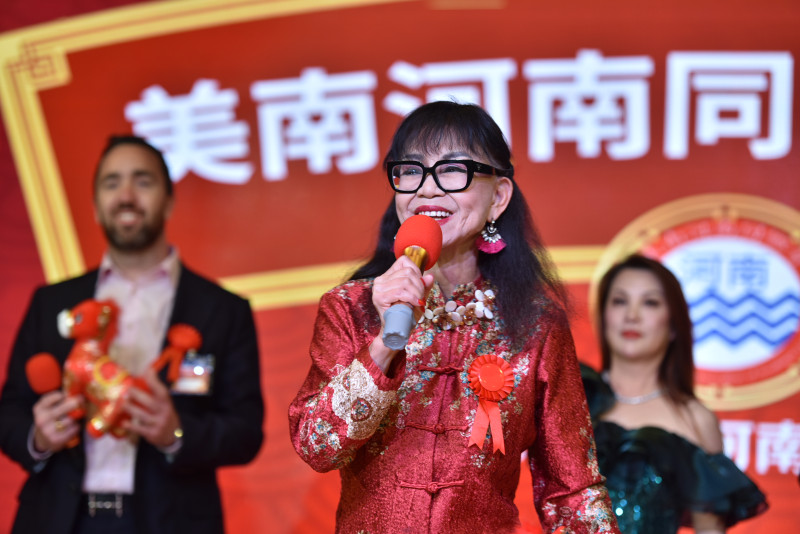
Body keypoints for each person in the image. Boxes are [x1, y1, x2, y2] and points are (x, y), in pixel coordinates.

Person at [289, 101, 620, 533]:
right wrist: (383, 345)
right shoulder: (350, 307)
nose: (426, 189)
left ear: (498, 197)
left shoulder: (535, 324)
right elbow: (317, 447)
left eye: (451, 170)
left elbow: (571, 490)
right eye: (411, 171)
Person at [0, 135, 265, 534]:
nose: (126, 195)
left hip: (171, 521)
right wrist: (38, 437)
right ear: (95, 206)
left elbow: (245, 432)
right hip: (59, 519)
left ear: (169, 201)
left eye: (143, 181)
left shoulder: (221, 310)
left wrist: (175, 433)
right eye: (112, 183)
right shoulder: (52, 303)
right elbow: (9, 412)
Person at [581, 254, 768, 534]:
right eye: (619, 301)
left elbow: (709, 529)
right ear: (603, 316)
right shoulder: (572, 399)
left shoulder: (695, 419)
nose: (632, 316)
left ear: (673, 325)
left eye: (650, 303)